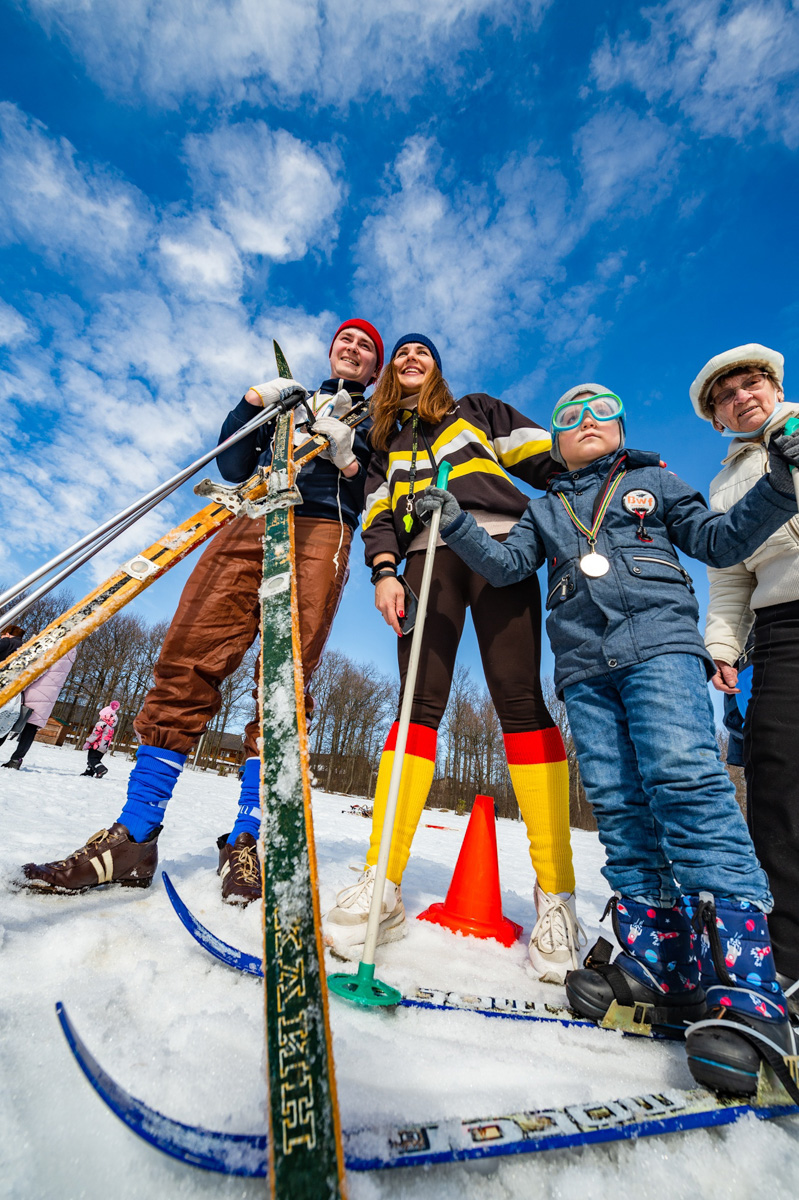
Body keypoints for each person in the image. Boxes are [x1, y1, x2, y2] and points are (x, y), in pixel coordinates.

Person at [416, 382, 799, 1097]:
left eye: (602, 411)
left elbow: (719, 541)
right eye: (570, 415)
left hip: (659, 648)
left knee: (685, 783)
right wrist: (457, 524)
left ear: (621, 428)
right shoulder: (542, 508)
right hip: (585, 670)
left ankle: (749, 985)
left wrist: (781, 483)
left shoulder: (656, 482)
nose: (586, 421)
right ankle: (664, 964)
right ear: (555, 441)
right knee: (619, 805)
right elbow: (506, 566)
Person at [22, 319, 383, 902]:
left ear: (375, 368)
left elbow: (380, 493)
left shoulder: (380, 420)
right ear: (332, 349)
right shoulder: (293, 402)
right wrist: (252, 404)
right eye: (347, 339)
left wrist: (347, 460)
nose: (354, 348)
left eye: (366, 347)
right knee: (188, 651)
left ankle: (247, 837)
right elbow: (233, 467)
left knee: (284, 679)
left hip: (321, 527)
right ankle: (135, 834)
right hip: (252, 512)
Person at [324, 334, 583, 984]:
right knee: (416, 702)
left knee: (519, 700)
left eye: (423, 352)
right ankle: (383, 881)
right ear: (392, 372)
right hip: (424, 557)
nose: (411, 358)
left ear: (436, 367)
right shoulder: (387, 443)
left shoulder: (478, 410)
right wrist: (385, 570)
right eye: (402, 353)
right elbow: (379, 513)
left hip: (499, 543)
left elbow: (547, 459)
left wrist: (594, 490)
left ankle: (556, 897)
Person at [690, 344, 799, 1014]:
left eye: (750, 383)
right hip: (782, 627)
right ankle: (786, 964)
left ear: (774, 386)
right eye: (725, 396)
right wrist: (722, 647)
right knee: (778, 783)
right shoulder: (723, 486)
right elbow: (729, 580)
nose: (741, 397)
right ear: (717, 419)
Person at [1, 648, 77, 769]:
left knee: (7, 721)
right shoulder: (70, 653)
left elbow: (39, 670)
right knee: (30, 730)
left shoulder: (57, 647)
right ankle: (16, 759)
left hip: (33, 693)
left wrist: (19, 685)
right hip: (47, 699)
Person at [82, 701, 121, 778]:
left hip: (96, 746)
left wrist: (88, 742)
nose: (100, 717)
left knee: (92, 759)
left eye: (101, 715)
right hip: (104, 747)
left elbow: (95, 734)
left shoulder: (101, 724)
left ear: (105, 716)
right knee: (95, 760)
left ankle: (101, 769)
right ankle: (89, 772)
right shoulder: (111, 727)